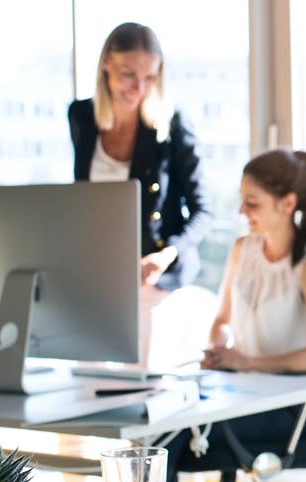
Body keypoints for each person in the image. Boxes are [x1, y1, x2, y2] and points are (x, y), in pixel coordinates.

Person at [164, 149, 306, 482]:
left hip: (290, 408)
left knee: (168, 441)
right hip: (240, 393)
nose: (242, 212)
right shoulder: (243, 249)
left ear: (287, 203)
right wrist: (217, 350)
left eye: (252, 203)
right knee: (159, 424)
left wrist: (245, 362)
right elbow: (221, 320)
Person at [68, 22, 210, 366]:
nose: (139, 87)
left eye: (150, 78)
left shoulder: (171, 126)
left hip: (154, 273)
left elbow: (202, 211)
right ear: (106, 66)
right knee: (87, 381)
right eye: (128, 75)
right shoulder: (82, 117)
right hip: (100, 270)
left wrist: (167, 255)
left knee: (140, 385)